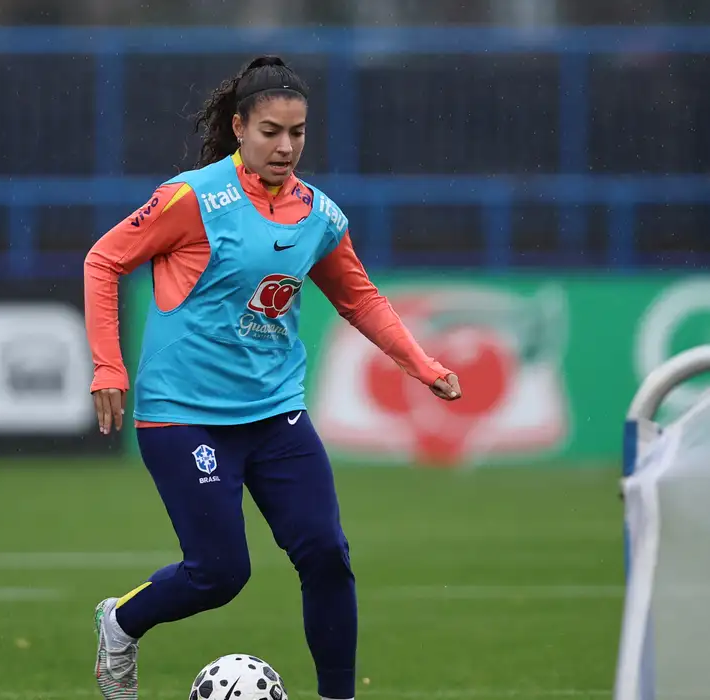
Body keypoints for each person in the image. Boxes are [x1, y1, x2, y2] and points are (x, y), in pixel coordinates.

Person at [83, 56, 462, 700]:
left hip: (277, 415)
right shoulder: (194, 197)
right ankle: (121, 622)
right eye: (271, 132)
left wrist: (421, 365)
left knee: (326, 555)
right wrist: (107, 365)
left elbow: (359, 298)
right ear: (239, 128)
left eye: (299, 132)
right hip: (185, 415)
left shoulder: (320, 216)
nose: (286, 146)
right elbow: (104, 259)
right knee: (220, 573)